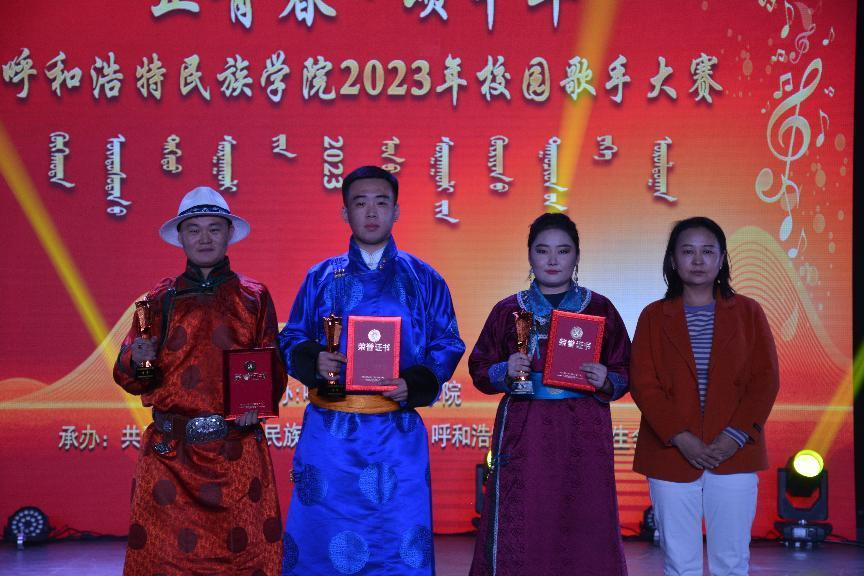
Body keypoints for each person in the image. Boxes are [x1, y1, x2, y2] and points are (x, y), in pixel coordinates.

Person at [278, 165, 465, 575]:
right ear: (345, 212)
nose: (371, 212)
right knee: (321, 543)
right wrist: (314, 360)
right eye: (360, 203)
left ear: (396, 210)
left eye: (381, 202)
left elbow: (448, 341)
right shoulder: (320, 277)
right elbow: (290, 337)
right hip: (330, 434)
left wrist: (417, 382)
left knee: (400, 544)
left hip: (397, 432)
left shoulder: (424, 278)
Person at [113, 186, 286, 575]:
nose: (204, 238)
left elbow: (272, 364)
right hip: (171, 456)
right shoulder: (158, 299)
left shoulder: (254, 296)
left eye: (214, 228)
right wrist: (136, 358)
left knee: (245, 563)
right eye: (194, 229)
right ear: (180, 237)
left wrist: (256, 404)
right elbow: (130, 377)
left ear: (229, 234)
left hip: (236, 454)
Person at [468, 212, 630, 576]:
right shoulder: (508, 310)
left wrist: (606, 380)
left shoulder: (600, 308)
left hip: (583, 429)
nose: (553, 260)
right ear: (529, 255)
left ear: (577, 256)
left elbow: (625, 369)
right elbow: (479, 367)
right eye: (542, 251)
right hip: (525, 428)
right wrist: (504, 370)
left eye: (563, 250)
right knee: (525, 516)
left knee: (585, 517)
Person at [630, 216, 780, 576]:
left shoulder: (748, 312)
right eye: (688, 251)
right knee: (680, 563)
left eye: (708, 251)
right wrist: (683, 438)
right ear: (673, 259)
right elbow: (644, 384)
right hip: (670, 454)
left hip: (734, 453)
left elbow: (765, 380)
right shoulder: (653, 316)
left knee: (732, 562)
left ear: (722, 258)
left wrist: (733, 436)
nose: (698, 260)